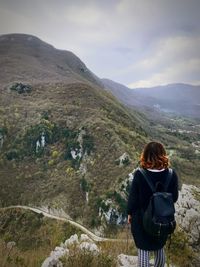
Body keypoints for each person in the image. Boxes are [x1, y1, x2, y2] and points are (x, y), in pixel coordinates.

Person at [127, 141, 179, 267]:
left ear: (145, 155)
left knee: (143, 248)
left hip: (141, 219)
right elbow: (175, 198)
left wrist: (129, 213)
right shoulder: (171, 174)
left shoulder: (140, 174)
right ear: (163, 155)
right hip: (162, 218)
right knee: (159, 247)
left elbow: (133, 199)